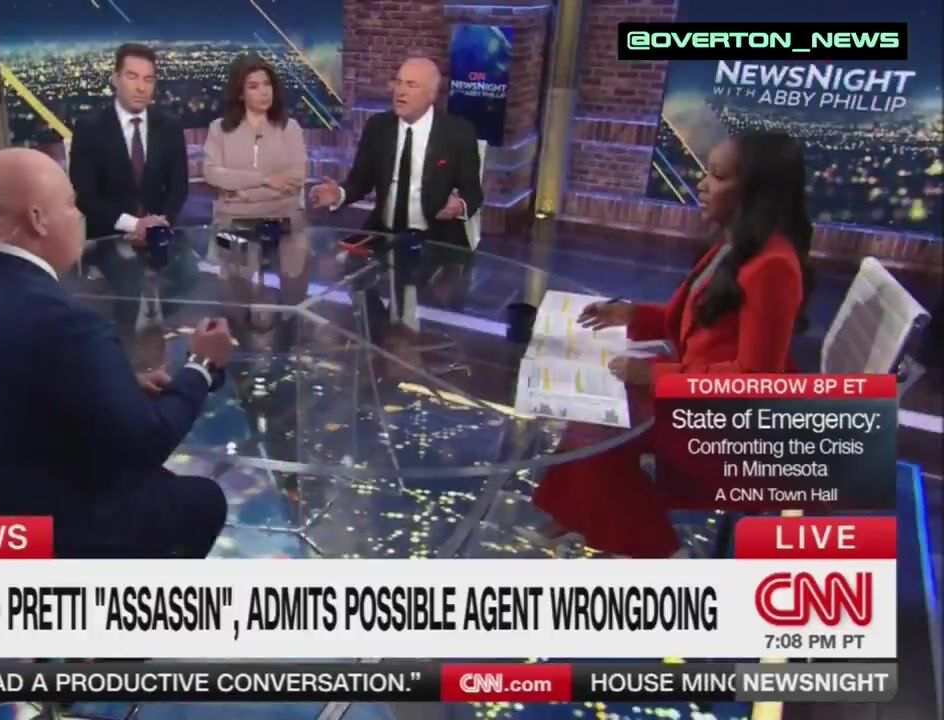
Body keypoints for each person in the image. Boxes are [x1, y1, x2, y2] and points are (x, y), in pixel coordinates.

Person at [0, 148, 234, 559]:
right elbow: (147, 442)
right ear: (37, 219)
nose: (79, 216)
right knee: (203, 499)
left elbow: (16, 377)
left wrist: (115, 386)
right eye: (70, 204)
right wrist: (202, 366)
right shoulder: (63, 322)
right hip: (54, 523)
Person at [531, 130, 813, 558]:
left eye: (717, 176)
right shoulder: (734, 245)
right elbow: (699, 316)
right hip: (695, 387)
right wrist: (632, 316)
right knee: (589, 409)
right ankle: (579, 514)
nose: (702, 184)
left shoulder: (774, 266)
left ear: (756, 192)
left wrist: (654, 375)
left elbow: (755, 379)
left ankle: (657, 552)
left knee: (600, 429)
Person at [309, 57, 482, 248]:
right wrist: (339, 194)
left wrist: (460, 206)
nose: (400, 91)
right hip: (383, 234)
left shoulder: (458, 133)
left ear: (432, 94)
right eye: (398, 82)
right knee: (336, 259)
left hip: (437, 237)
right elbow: (360, 182)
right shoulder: (378, 127)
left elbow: (473, 193)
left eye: (411, 85)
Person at [69, 43, 188, 245]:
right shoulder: (89, 128)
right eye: (132, 77)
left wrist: (157, 225)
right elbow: (85, 196)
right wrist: (134, 225)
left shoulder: (170, 127)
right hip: (108, 237)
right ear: (116, 79)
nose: (141, 87)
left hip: (160, 234)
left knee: (190, 266)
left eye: (148, 79)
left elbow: (179, 188)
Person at [203, 55, 307, 228]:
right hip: (230, 222)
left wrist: (243, 195)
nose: (264, 92)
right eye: (254, 86)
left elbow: (296, 178)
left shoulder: (290, 128)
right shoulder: (219, 129)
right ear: (240, 94)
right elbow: (213, 174)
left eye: (267, 84)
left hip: (283, 220)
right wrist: (265, 180)